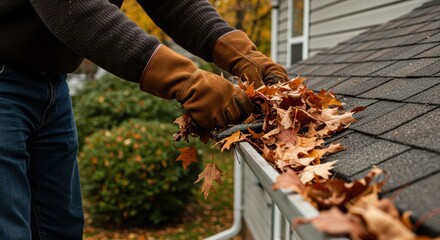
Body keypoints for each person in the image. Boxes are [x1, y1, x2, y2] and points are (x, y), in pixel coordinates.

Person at [0, 0, 289, 238]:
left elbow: (176, 5)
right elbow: (72, 8)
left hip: (51, 85)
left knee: (60, 228)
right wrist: (185, 79)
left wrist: (237, 51)